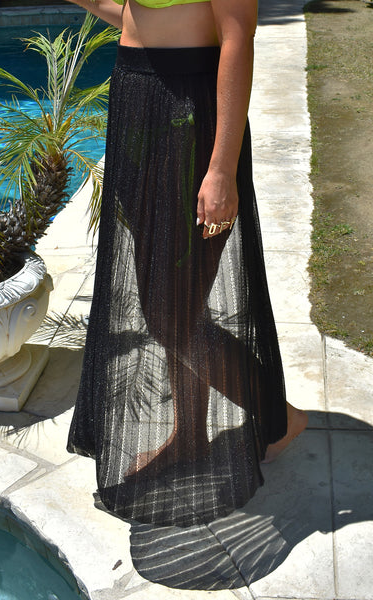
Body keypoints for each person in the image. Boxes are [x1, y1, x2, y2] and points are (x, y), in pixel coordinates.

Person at [66, 0, 308, 527]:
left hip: (187, 113)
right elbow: (136, 16)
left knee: (169, 315)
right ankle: (190, 434)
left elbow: (238, 36)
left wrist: (221, 167)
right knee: (174, 298)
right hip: (138, 102)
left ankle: (279, 416)